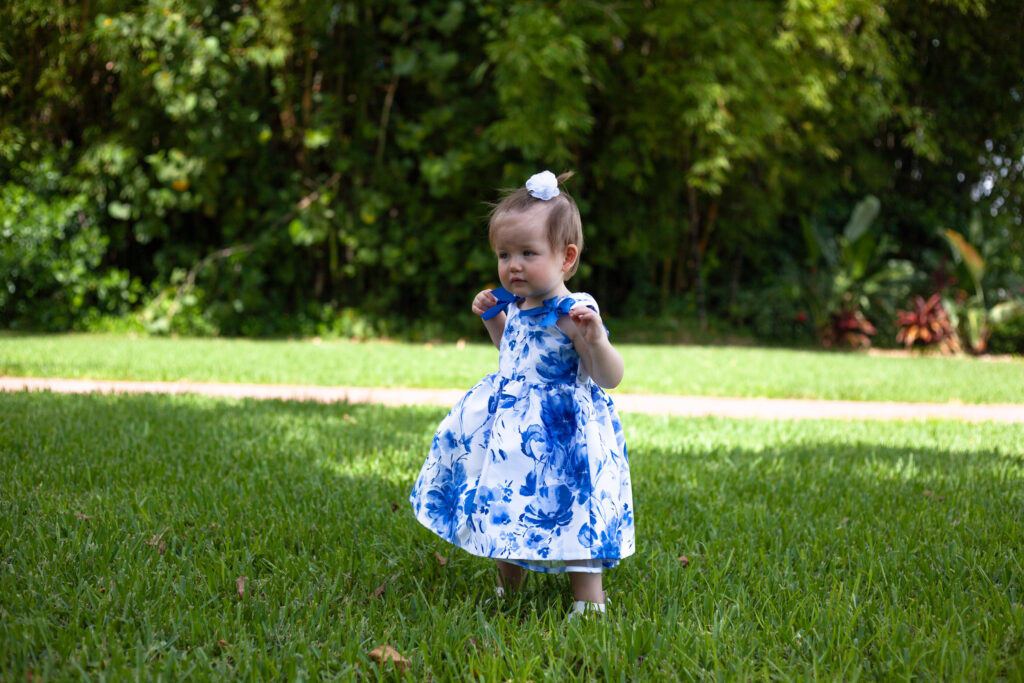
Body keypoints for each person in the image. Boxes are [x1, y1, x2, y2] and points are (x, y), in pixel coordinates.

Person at [409, 170, 634, 619]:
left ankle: (589, 600)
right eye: (504, 254)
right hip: (512, 430)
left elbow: (609, 377)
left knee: (572, 509)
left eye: (527, 254)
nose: (513, 265)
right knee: (504, 498)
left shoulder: (574, 313)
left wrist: (596, 341)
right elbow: (513, 353)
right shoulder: (516, 306)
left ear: (566, 258)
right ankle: (506, 589)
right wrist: (494, 320)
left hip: (564, 434)